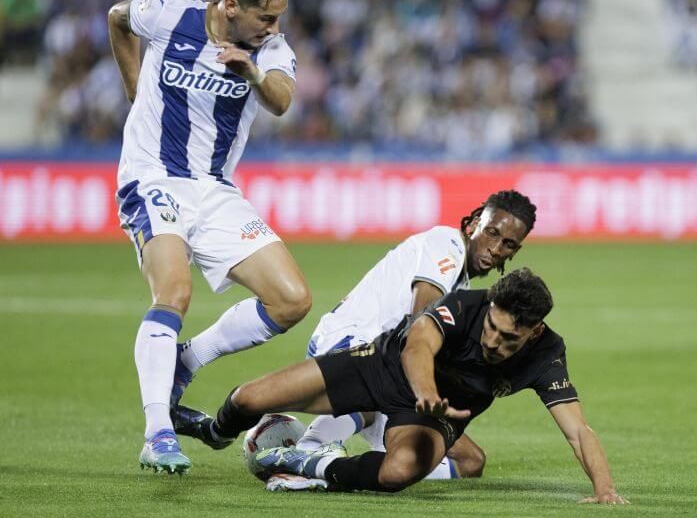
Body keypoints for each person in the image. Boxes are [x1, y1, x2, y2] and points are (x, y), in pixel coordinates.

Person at [108, 0, 310, 474]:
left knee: (291, 300)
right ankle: (157, 432)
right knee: (174, 291)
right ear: (230, 5)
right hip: (153, 177)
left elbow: (283, 99)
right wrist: (134, 89)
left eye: (279, 18)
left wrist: (252, 72)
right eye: (265, 17)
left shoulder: (268, 49)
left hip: (214, 190)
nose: (273, 27)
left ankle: (187, 360)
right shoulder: (169, 15)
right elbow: (118, 18)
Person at [178, 268, 628, 504]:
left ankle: (312, 467)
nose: (492, 342)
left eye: (509, 338)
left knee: (400, 472)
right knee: (247, 398)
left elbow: (578, 430)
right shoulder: (467, 304)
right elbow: (417, 346)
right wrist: (425, 390)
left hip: (433, 414)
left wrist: (604, 488)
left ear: (533, 331)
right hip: (382, 366)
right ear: (490, 305)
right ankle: (214, 433)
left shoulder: (547, 354)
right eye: (491, 327)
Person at [175, 189, 536, 481]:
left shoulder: (463, 279)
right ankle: (309, 451)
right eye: (492, 232)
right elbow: (420, 316)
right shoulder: (448, 246)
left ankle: (310, 451)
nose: (496, 247)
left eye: (508, 244)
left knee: (470, 460)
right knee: (371, 400)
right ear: (474, 222)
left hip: (389, 365)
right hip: (354, 344)